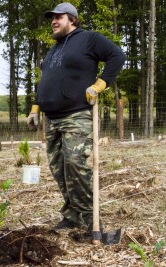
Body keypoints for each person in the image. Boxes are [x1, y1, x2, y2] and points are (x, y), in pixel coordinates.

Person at [27, 3, 126, 232]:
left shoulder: (88, 39)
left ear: (72, 19)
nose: (53, 21)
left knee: (75, 164)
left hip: (76, 114)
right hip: (51, 118)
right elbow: (46, 81)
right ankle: (73, 216)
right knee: (59, 169)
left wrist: (100, 85)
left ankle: (90, 218)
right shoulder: (53, 50)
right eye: (51, 18)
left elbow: (117, 56)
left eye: (58, 17)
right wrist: (35, 108)